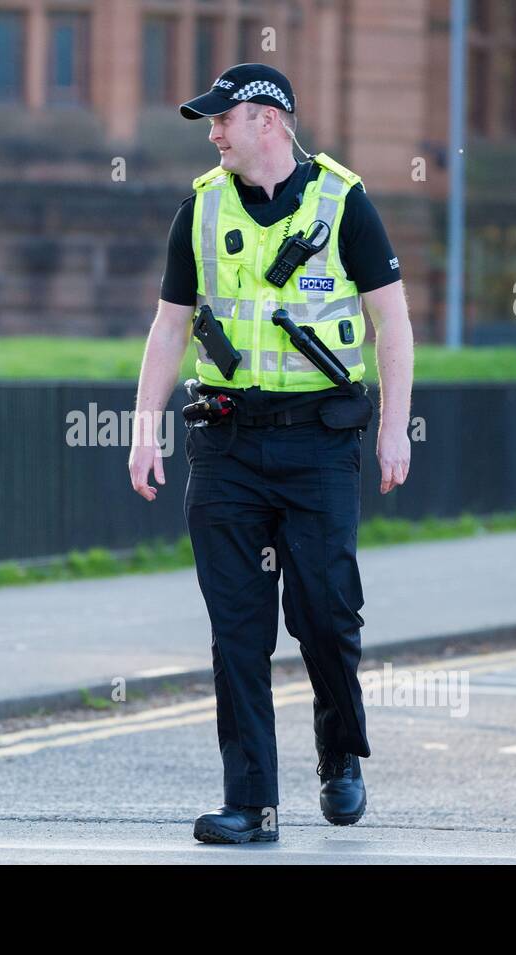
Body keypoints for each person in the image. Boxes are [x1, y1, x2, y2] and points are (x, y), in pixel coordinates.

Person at [127, 64, 414, 844]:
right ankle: (251, 802)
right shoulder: (200, 205)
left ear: (271, 123)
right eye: (210, 122)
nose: (213, 132)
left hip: (319, 443)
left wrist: (395, 424)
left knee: (324, 613)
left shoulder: (343, 201)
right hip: (223, 444)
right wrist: (144, 424)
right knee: (237, 628)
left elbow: (391, 320)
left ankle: (340, 755)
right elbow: (169, 325)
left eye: (225, 119)